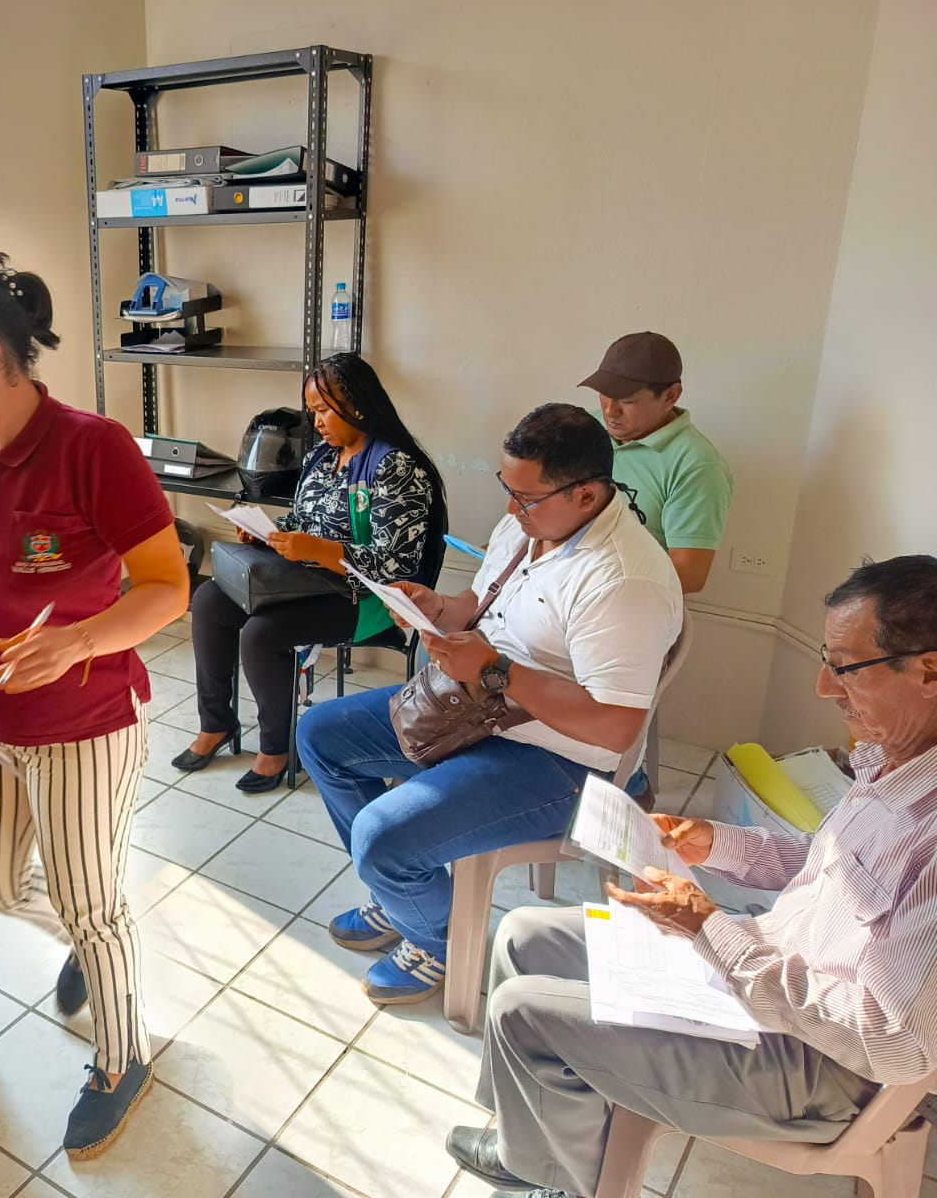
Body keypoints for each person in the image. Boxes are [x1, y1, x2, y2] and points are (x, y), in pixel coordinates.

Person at [446, 554, 937, 1198]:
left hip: (819, 1062)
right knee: (523, 935)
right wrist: (717, 844)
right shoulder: (893, 760)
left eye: (845, 666)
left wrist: (709, 929)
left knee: (523, 1013)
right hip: (765, 974)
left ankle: (558, 1178)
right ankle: (531, 1150)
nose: (823, 686)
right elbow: (836, 867)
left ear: (929, 671)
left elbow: (894, 1042)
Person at [0, 252, 189, 1159]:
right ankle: (93, 945)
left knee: (93, 902)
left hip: (87, 721)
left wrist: (80, 641)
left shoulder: (94, 448)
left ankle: (122, 1058)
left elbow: (167, 588)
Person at [297, 403, 683, 1004]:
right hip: (476, 709)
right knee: (320, 736)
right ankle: (405, 895)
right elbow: (479, 607)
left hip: (562, 760)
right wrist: (437, 607)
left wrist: (494, 670)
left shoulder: (624, 581)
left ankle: (437, 938)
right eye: (508, 489)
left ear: (585, 495)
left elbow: (614, 728)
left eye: (525, 498)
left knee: (380, 837)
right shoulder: (530, 525)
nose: (511, 510)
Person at [172, 353, 447, 792]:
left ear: (357, 405)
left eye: (323, 410)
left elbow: (400, 566)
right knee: (208, 600)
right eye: (312, 411)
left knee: (263, 633)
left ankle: (277, 747)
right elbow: (303, 519)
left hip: (368, 599)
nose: (316, 422)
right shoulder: (322, 456)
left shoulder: (396, 467)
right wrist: (270, 534)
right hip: (304, 578)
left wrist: (321, 550)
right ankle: (216, 723)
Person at [578, 331, 733, 594]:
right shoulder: (584, 428)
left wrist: (588, 587)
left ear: (671, 396)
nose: (610, 411)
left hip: (622, 600)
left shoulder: (696, 465)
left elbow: (689, 574)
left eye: (627, 401)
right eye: (604, 395)